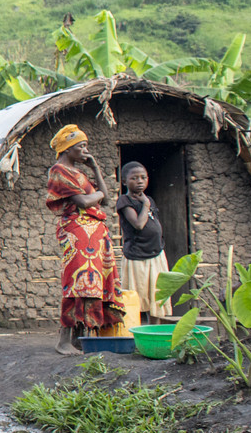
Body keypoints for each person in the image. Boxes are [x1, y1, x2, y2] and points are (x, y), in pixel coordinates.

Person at [46, 125, 123, 356]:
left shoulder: (81, 173)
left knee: (93, 284)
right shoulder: (59, 171)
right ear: (67, 148)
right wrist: (98, 195)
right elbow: (84, 202)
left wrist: (95, 168)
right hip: (76, 231)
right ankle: (63, 340)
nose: (85, 150)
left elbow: (106, 199)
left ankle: (80, 338)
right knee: (77, 281)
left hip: (94, 232)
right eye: (80, 146)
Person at [115, 162, 172, 324]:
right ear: (125, 181)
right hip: (137, 257)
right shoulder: (124, 201)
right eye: (134, 178)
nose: (140, 181)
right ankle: (135, 332)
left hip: (156, 255)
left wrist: (147, 203)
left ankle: (153, 331)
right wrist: (145, 205)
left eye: (143, 177)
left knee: (156, 295)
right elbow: (139, 224)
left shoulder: (149, 200)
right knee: (137, 297)